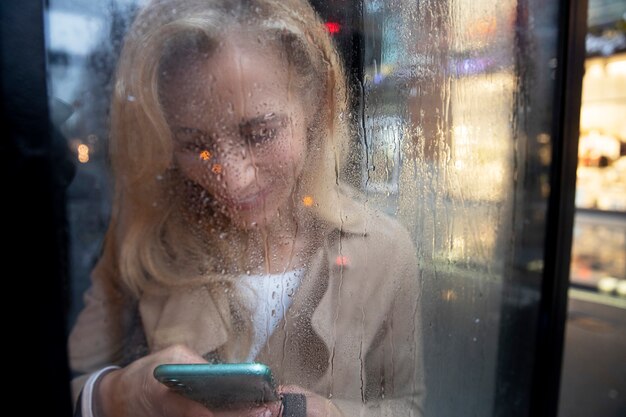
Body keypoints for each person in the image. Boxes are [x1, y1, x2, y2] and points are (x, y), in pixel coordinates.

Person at [69, 0, 424, 416]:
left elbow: (407, 404)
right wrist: (123, 394)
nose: (232, 179)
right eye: (194, 144)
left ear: (316, 106)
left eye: (260, 133)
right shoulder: (145, 239)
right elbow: (74, 376)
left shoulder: (384, 250)